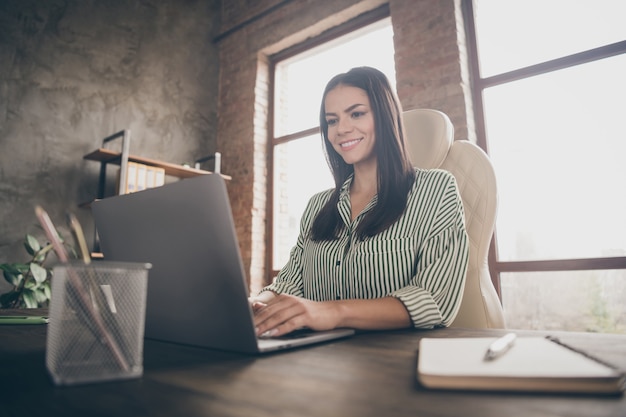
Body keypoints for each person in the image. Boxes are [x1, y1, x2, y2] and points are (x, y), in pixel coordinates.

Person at [252, 66, 469, 338]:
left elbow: (435, 299)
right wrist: (252, 305)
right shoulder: (317, 206)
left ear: (385, 116)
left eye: (356, 114)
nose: (341, 129)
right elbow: (289, 284)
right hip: (319, 359)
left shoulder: (437, 190)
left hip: (395, 360)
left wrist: (334, 311)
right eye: (331, 121)